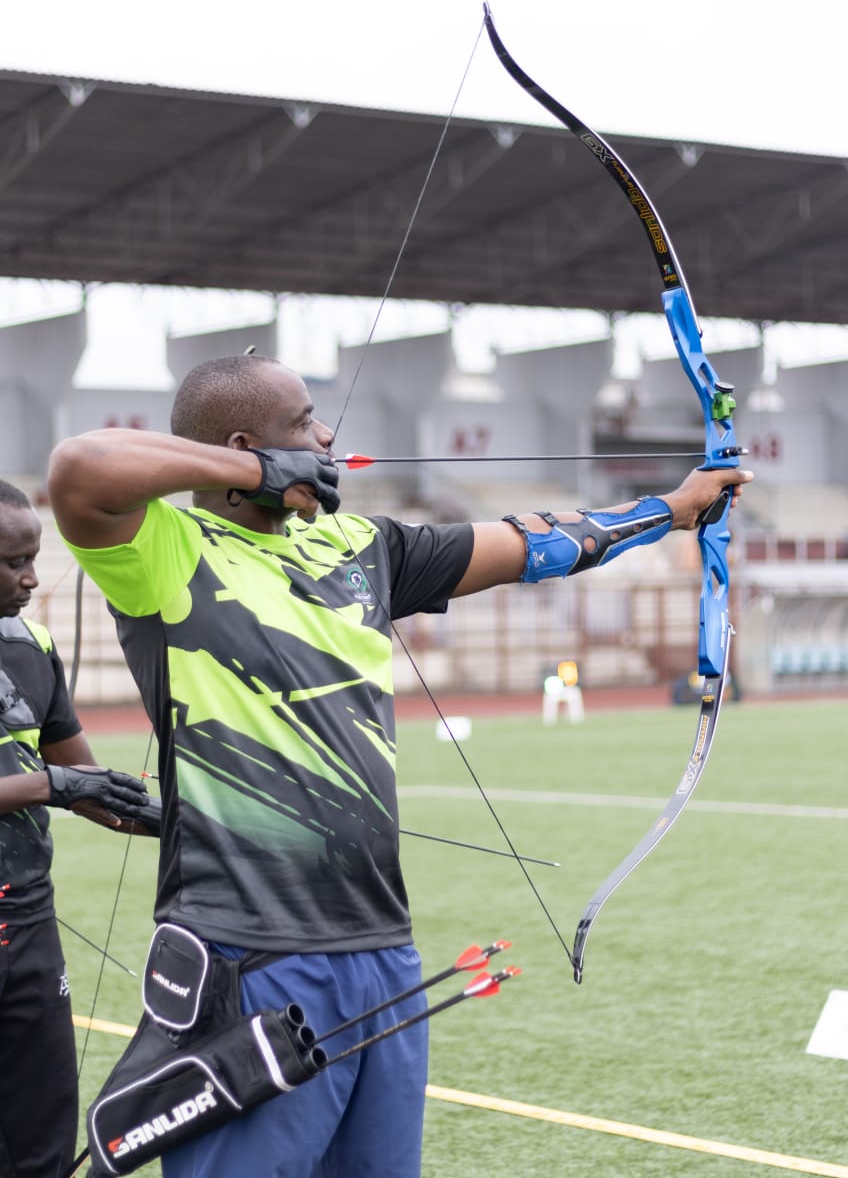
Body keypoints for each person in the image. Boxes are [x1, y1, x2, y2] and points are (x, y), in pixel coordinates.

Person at [46, 354, 752, 1178]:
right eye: (303, 423)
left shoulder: (361, 546)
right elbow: (80, 468)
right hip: (252, 954)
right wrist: (259, 473)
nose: (326, 434)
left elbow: (532, 543)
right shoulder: (166, 551)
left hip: (382, 953)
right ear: (243, 447)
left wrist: (671, 509)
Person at [0, 478, 159, 1178]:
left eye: (34, 559)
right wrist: (51, 786)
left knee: (42, 1136)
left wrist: (191, 819)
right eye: (13, 563)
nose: (32, 579)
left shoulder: (30, 645)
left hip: (27, 920)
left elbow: (87, 782)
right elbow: (59, 782)